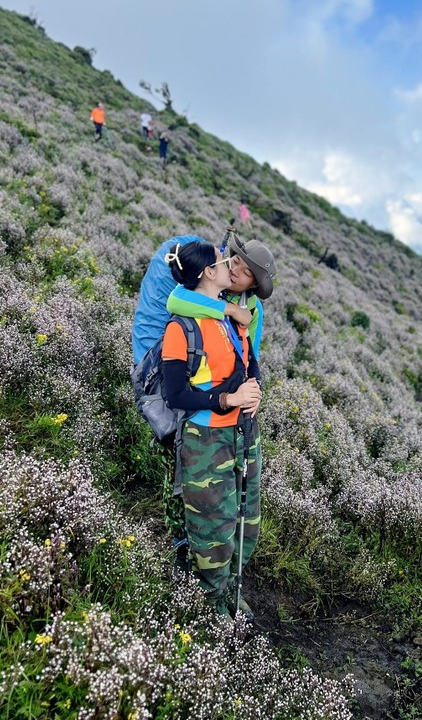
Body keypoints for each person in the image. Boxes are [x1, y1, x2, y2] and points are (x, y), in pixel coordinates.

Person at [161, 240, 272, 618]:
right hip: (206, 439)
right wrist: (226, 400)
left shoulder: (234, 315)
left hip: (243, 432)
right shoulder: (183, 326)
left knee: (246, 518)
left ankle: (227, 589)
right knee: (212, 530)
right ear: (209, 272)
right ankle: (210, 606)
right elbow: (174, 394)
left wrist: (254, 392)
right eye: (226, 260)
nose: (230, 264)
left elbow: (249, 361)